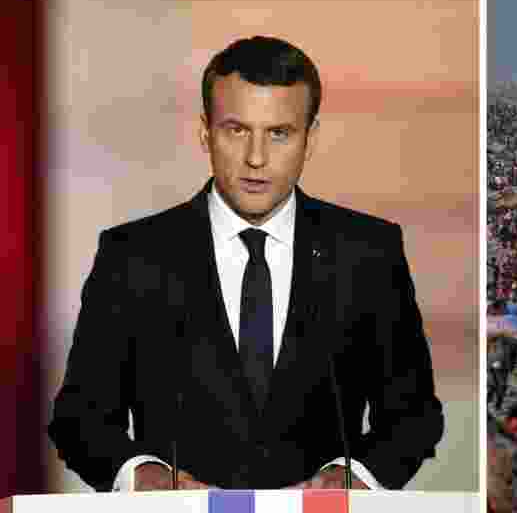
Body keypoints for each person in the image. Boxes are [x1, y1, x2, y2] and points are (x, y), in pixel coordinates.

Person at [48, 36, 444, 491]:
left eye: (279, 133)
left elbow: (414, 417)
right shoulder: (134, 255)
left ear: (310, 138)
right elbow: (79, 420)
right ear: (205, 132)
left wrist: (354, 477)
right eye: (236, 130)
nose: (256, 158)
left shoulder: (368, 252)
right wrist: (141, 474)